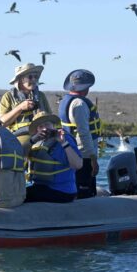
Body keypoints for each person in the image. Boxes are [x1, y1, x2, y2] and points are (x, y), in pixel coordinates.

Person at [58, 69, 102, 198]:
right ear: (86, 87)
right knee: (85, 192)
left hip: (72, 151)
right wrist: (93, 158)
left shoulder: (65, 100)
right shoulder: (80, 104)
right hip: (84, 154)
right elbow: (84, 133)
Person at [24, 112, 82, 203]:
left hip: (62, 191)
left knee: (24, 197)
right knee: (17, 194)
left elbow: (78, 165)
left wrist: (63, 143)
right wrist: (32, 140)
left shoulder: (64, 138)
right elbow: (19, 158)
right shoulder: (35, 143)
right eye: (40, 126)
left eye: (47, 124)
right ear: (36, 130)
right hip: (40, 187)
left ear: (53, 125)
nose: (44, 129)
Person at [0, 63, 52, 142]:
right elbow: (2, 122)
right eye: (30, 77)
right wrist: (20, 108)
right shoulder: (8, 96)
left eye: (36, 77)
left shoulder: (41, 96)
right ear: (20, 80)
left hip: (42, 134)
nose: (34, 80)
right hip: (19, 135)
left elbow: (50, 118)